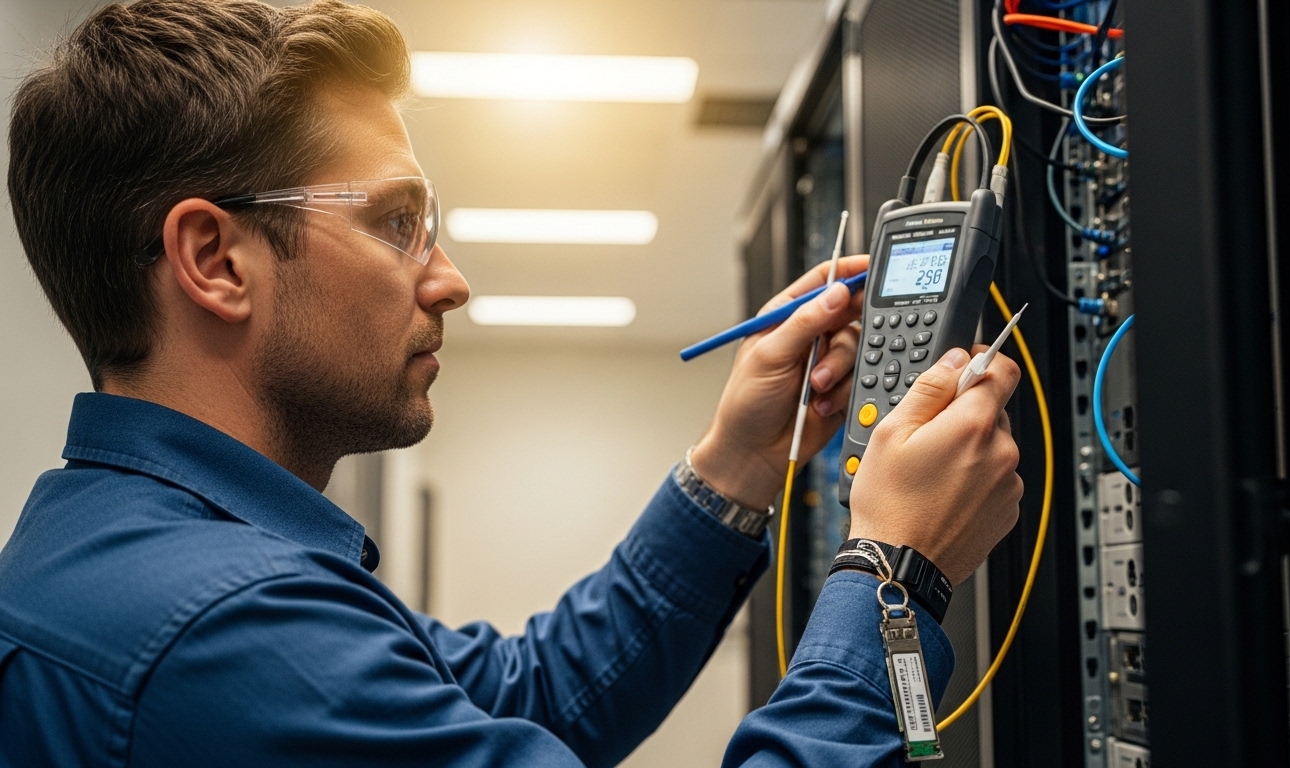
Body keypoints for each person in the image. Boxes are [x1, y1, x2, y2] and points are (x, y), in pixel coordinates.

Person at [0, 1, 1023, 765]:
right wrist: (894, 576)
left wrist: (740, 462)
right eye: (395, 224)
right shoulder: (224, 632)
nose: (449, 280)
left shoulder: (134, 557)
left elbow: (532, 696)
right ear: (215, 261)